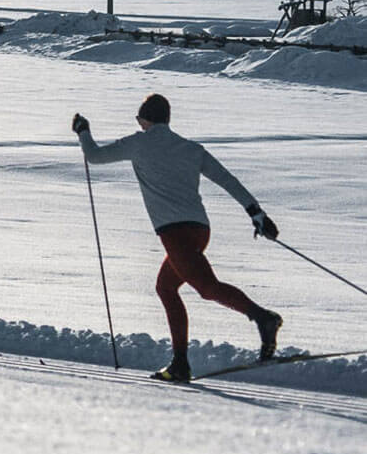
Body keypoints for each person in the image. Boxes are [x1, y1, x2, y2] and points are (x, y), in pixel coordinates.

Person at [74, 93, 284, 382]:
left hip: (174, 234)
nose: (139, 124)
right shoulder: (190, 148)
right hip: (200, 230)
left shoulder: (138, 143)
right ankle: (180, 363)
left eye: (139, 119)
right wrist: (256, 213)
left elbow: (94, 157)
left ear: (145, 120)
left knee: (207, 288)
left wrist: (83, 131)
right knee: (166, 288)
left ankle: (263, 318)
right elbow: (227, 179)